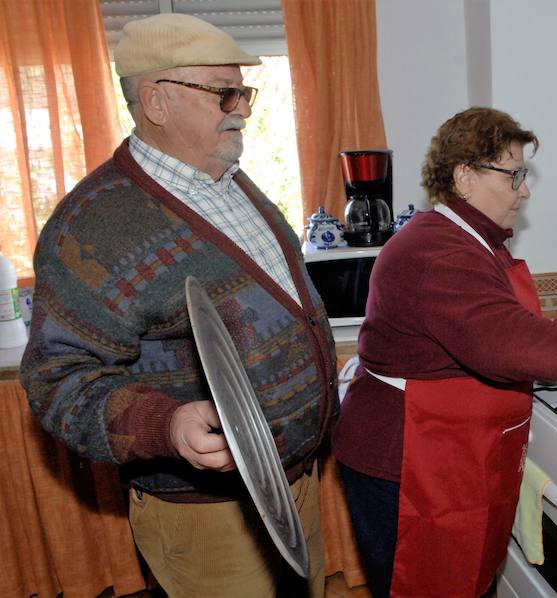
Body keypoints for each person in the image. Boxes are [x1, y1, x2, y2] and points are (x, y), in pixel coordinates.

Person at [19, 14, 337, 598]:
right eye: (224, 92)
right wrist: (166, 424)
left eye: (243, 92)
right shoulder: (93, 225)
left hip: (292, 482)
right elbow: (55, 380)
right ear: (156, 101)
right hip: (210, 515)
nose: (242, 109)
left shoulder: (230, 182)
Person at [331, 106, 557, 597]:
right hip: (406, 461)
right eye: (514, 175)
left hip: (441, 450)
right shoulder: (438, 254)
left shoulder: (466, 240)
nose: (525, 191)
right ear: (464, 176)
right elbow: (514, 343)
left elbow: (511, 331)